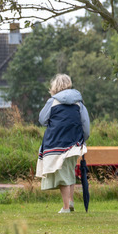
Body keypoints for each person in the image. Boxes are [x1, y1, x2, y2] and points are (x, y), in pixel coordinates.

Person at [36, 74, 90, 213]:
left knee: (62, 176)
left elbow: (42, 119)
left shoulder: (52, 102)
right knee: (69, 172)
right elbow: (85, 124)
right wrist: (83, 139)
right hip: (74, 144)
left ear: (55, 86)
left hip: (56, 143)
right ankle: (70, 202)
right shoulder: (79, 102)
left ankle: (66, 208)